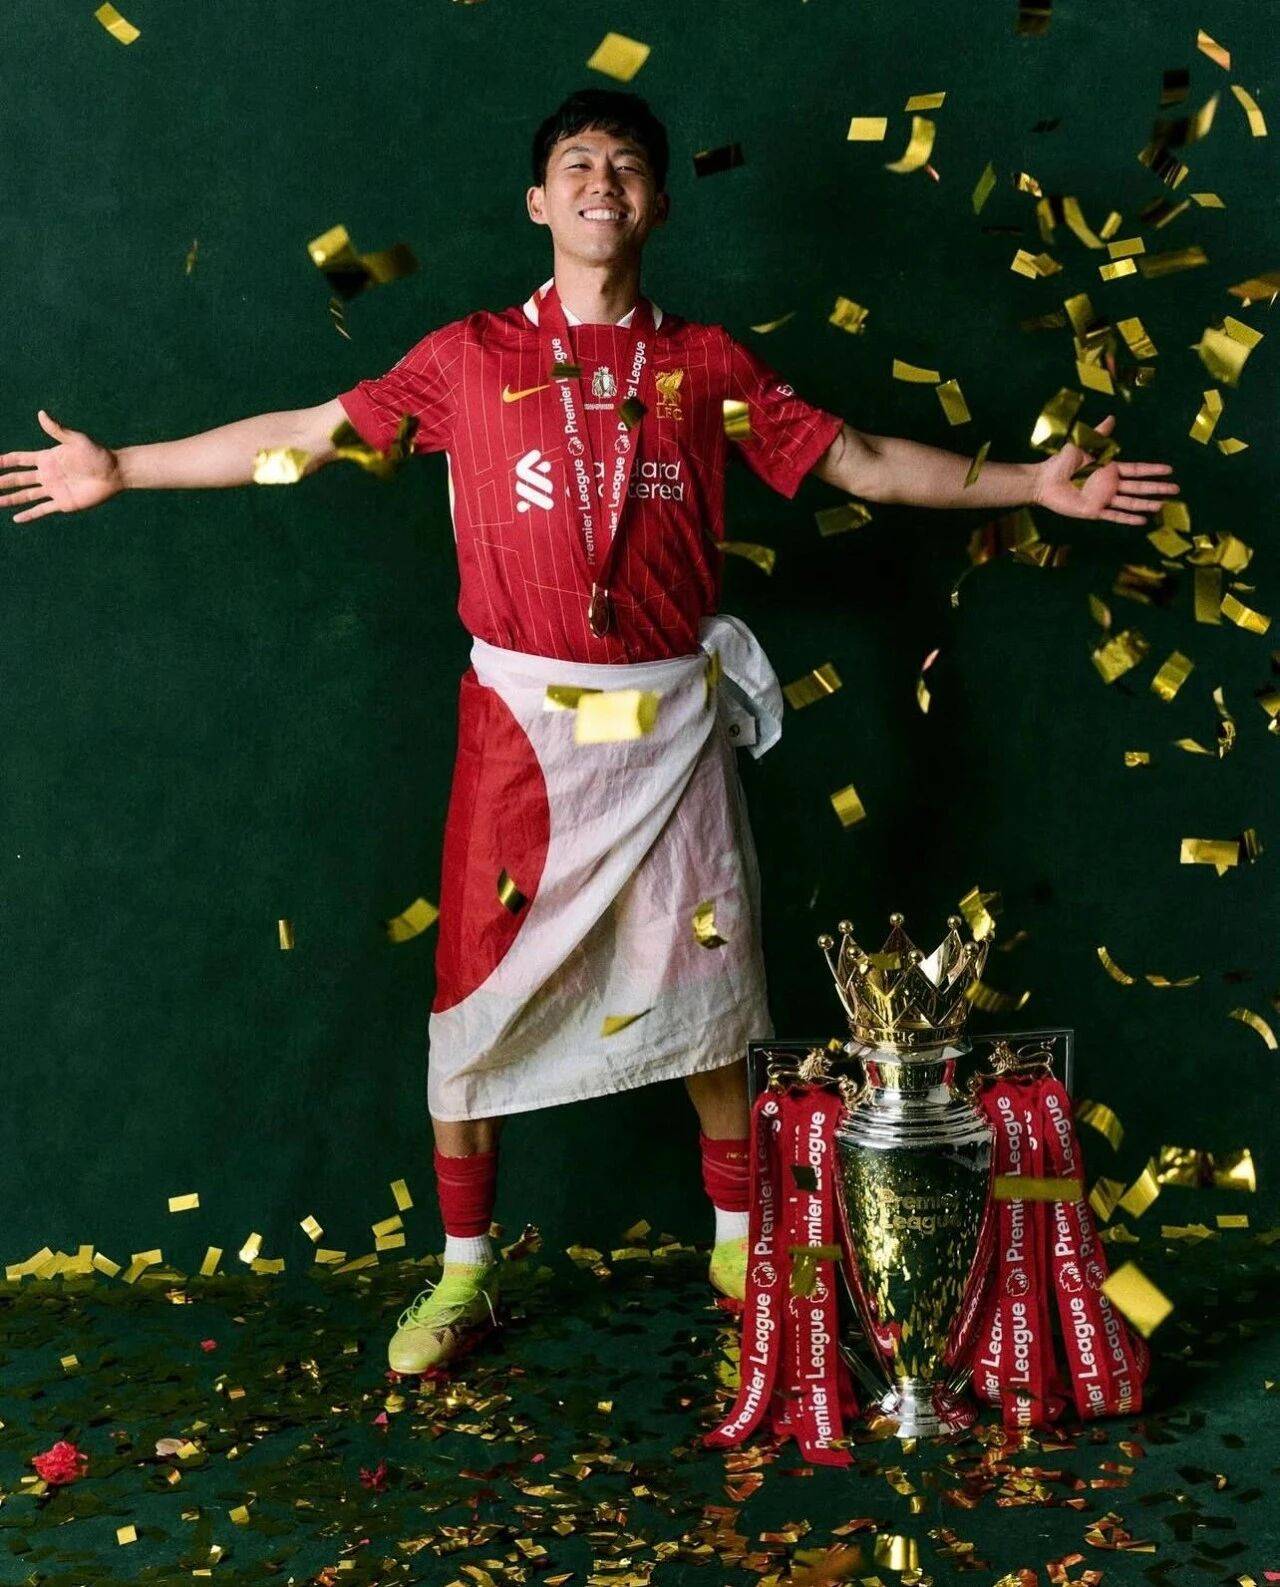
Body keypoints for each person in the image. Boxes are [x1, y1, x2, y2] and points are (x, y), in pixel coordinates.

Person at [0, 88, 1179, 1377]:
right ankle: (465, 1273)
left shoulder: (710, 366)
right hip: (524, 727)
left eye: (625, 165)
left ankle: (740, 1248)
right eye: (575, 162)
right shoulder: (466, 357)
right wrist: (126, 467)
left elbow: (859, 460)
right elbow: (306, 438)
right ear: (538, 201)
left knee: (710, 994)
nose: (600, 181)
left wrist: (1031, 484)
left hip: (670, 723)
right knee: (474, 1001)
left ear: (658, 205)